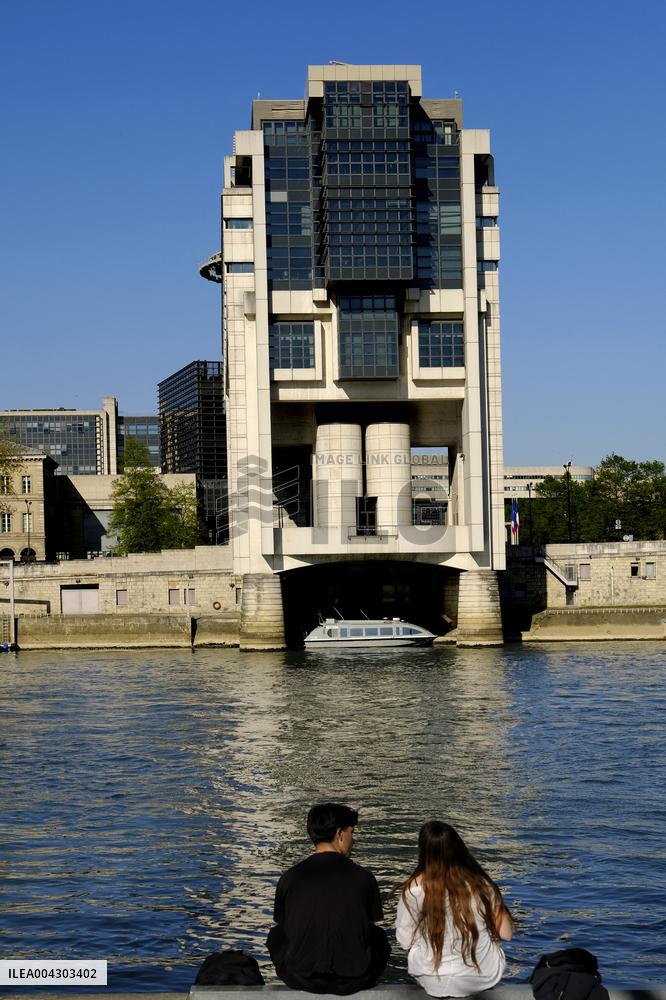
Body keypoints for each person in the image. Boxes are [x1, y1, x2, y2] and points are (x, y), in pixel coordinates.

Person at [267, 802, 390, 995]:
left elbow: (283, 924)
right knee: (378, 936)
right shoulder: (363, 877)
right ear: (340, 835)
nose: (353, 840)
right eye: (351, 833)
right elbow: (367, 926)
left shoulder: (290, 877)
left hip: (300, 977)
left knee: (276, 933)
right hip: (354, 980)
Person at [396, 821, 513, 997]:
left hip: (431, 978)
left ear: (422, 851)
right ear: (459, 848)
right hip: (480, 977)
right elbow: (506, 934)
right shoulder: (482, 885)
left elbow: (404, 940)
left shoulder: (413, 889)